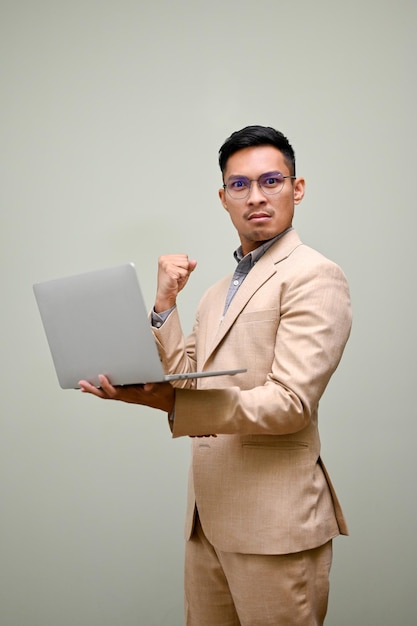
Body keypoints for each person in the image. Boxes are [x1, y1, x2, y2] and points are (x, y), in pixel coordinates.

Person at [79, 125, 352, 626]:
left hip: (275, 527)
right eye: (240, 185)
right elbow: (188, 380)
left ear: (298, 188)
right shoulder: (215, 291)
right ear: (223, 198)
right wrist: (165, 304)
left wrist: (169, 404)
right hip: (206, 523)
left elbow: (290, 404)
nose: (256, 197)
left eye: (271, 181)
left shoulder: (315, 275)